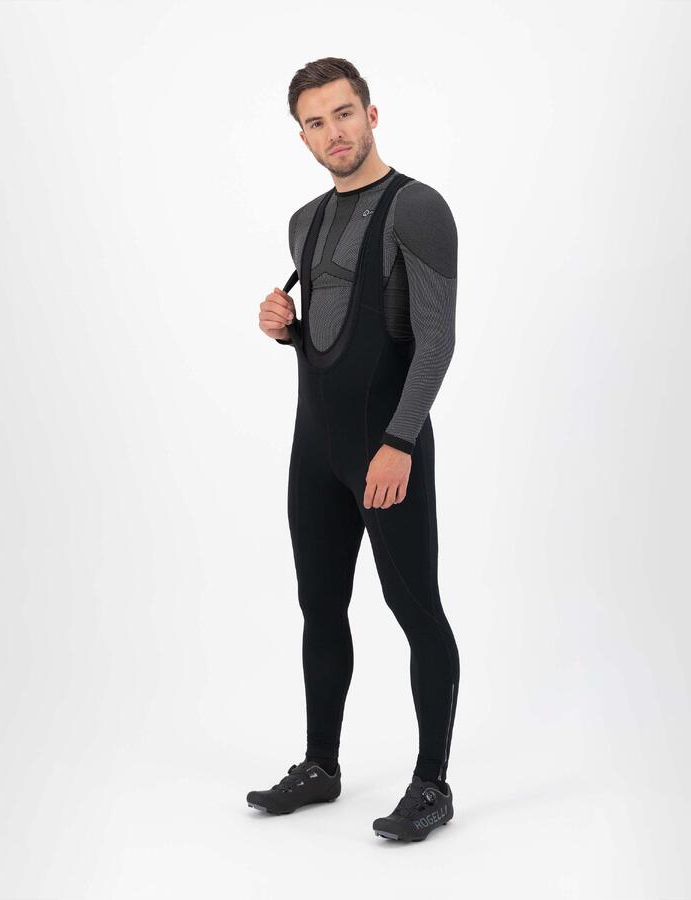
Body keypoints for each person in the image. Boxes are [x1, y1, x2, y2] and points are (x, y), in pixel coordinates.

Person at [248, 57, 460, 842]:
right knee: (320, 605)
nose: (332, 132)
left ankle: (432, 785)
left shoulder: (418, 208)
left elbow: (434, 339)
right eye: (315, 121)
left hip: (387, 446)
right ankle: (321, 765)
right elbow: (332, 338)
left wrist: (400, 442)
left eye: (343, 113)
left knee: (415, 609)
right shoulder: (304, 221)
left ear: (371, 115)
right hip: (316, 451)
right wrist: (287, 329)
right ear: (302, 136)